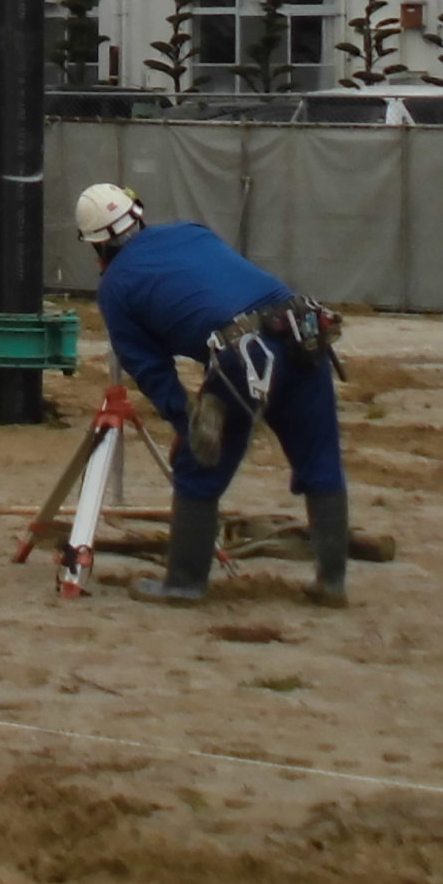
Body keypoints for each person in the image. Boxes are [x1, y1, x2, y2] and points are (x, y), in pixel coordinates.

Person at [76, 181, 350, 608]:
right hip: (301, 329)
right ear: (138, 214)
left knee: (198, 468)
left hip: (245, 356)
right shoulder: (190, 230)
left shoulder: (115, 288)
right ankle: (331, 584)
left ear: (95, 247)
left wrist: (186, 424)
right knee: (321, 459)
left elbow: (151, 370)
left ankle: (184, 584)